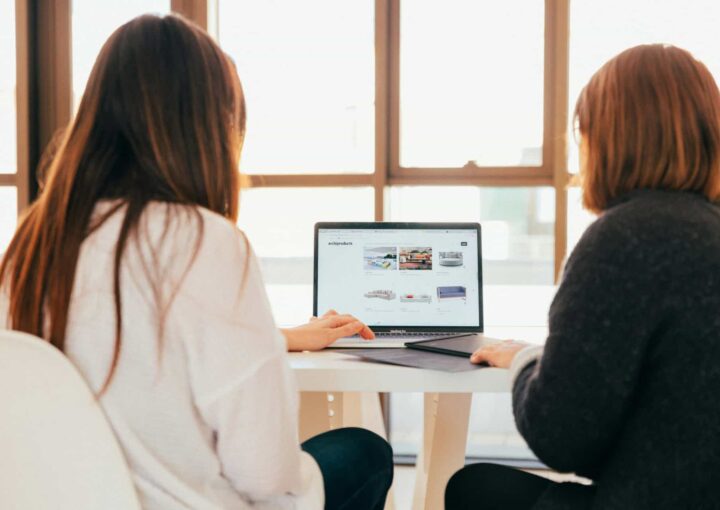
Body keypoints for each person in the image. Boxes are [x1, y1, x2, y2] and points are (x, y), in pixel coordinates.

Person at [0, 14, 391, 510]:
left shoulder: (31, 246)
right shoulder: (206, 242)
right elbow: (265, 474)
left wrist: (279, 338)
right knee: (363, 451)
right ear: (208, 127)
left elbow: (128, 348)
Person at [446, 44, 720, 509]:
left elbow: (561, 438)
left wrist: (526, 361)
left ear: (609, 138)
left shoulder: (625, 239)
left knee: (473, 489)